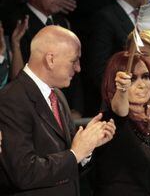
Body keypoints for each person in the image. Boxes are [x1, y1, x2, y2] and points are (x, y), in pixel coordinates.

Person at [0, 26, 116, 195]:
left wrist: (88, 145)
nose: (78, 68)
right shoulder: (11, 100)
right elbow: (23, 173)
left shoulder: (58, 96)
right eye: (73, 61)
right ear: (50, 60)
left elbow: (68, 166)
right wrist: (76, 153)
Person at [92, 51, 150, 195]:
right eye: (132, 79)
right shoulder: (112, 119)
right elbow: (119, 109)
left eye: (145, 77)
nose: (142, 85)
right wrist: (122, 89)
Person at [86, 0, 149, 115]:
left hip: (146, 102)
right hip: (119, 108)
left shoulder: (147, 16)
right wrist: (120, 97)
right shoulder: (105, 18)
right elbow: (100, 70)